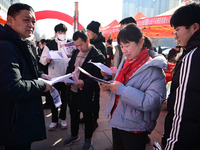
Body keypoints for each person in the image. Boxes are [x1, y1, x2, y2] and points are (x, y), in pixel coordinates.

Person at [100, 23, 167, 150]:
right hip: (118, 118)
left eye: (127, 45)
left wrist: (121, 90)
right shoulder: (127, 61)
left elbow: (151, 102)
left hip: (135, 126)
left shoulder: (154, 69)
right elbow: (121, 84)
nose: (124, 50)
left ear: (141, 42)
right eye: (121, 46)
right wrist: (109, 85)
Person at [0, 3, 52, 150]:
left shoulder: (18, 42)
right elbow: (12, 86)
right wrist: (41, 85)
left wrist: (40, 75)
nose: (31, 25)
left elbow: (23, 71)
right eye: (26, 20)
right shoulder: (6, 46)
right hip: (13, 121)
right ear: (10, 20)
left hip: (20, 116)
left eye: (33, 22)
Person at [161, 2, 200, 150]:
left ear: (195, 27)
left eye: (177, 30)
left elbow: (183, 114)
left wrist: (171, 144)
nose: (175, 36)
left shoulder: (192, 57)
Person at [64, 31, 105, 150]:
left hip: (87, 92)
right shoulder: (76, 52)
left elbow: (98, 77)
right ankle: (74, 135)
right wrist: (66, 77)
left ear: (87, 40)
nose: (79, 48)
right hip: (73, 89)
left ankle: (88, 138)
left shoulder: (97, 55)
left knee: (88, 116)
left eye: (81, 45)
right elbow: (70, 68)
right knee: (73, 114)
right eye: (76, 45)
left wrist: (84, 83)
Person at [39, 23, 70, 131]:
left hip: (66, 76)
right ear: (55, 33)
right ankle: (54, 120)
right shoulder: (50, 45)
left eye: (64, 32)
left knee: (65, 99)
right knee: (54, 99)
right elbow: (42, 59)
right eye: (60, 32)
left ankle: (63, 118)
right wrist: (47, 59)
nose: (62, 34)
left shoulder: (69, 44)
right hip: (53, 77)